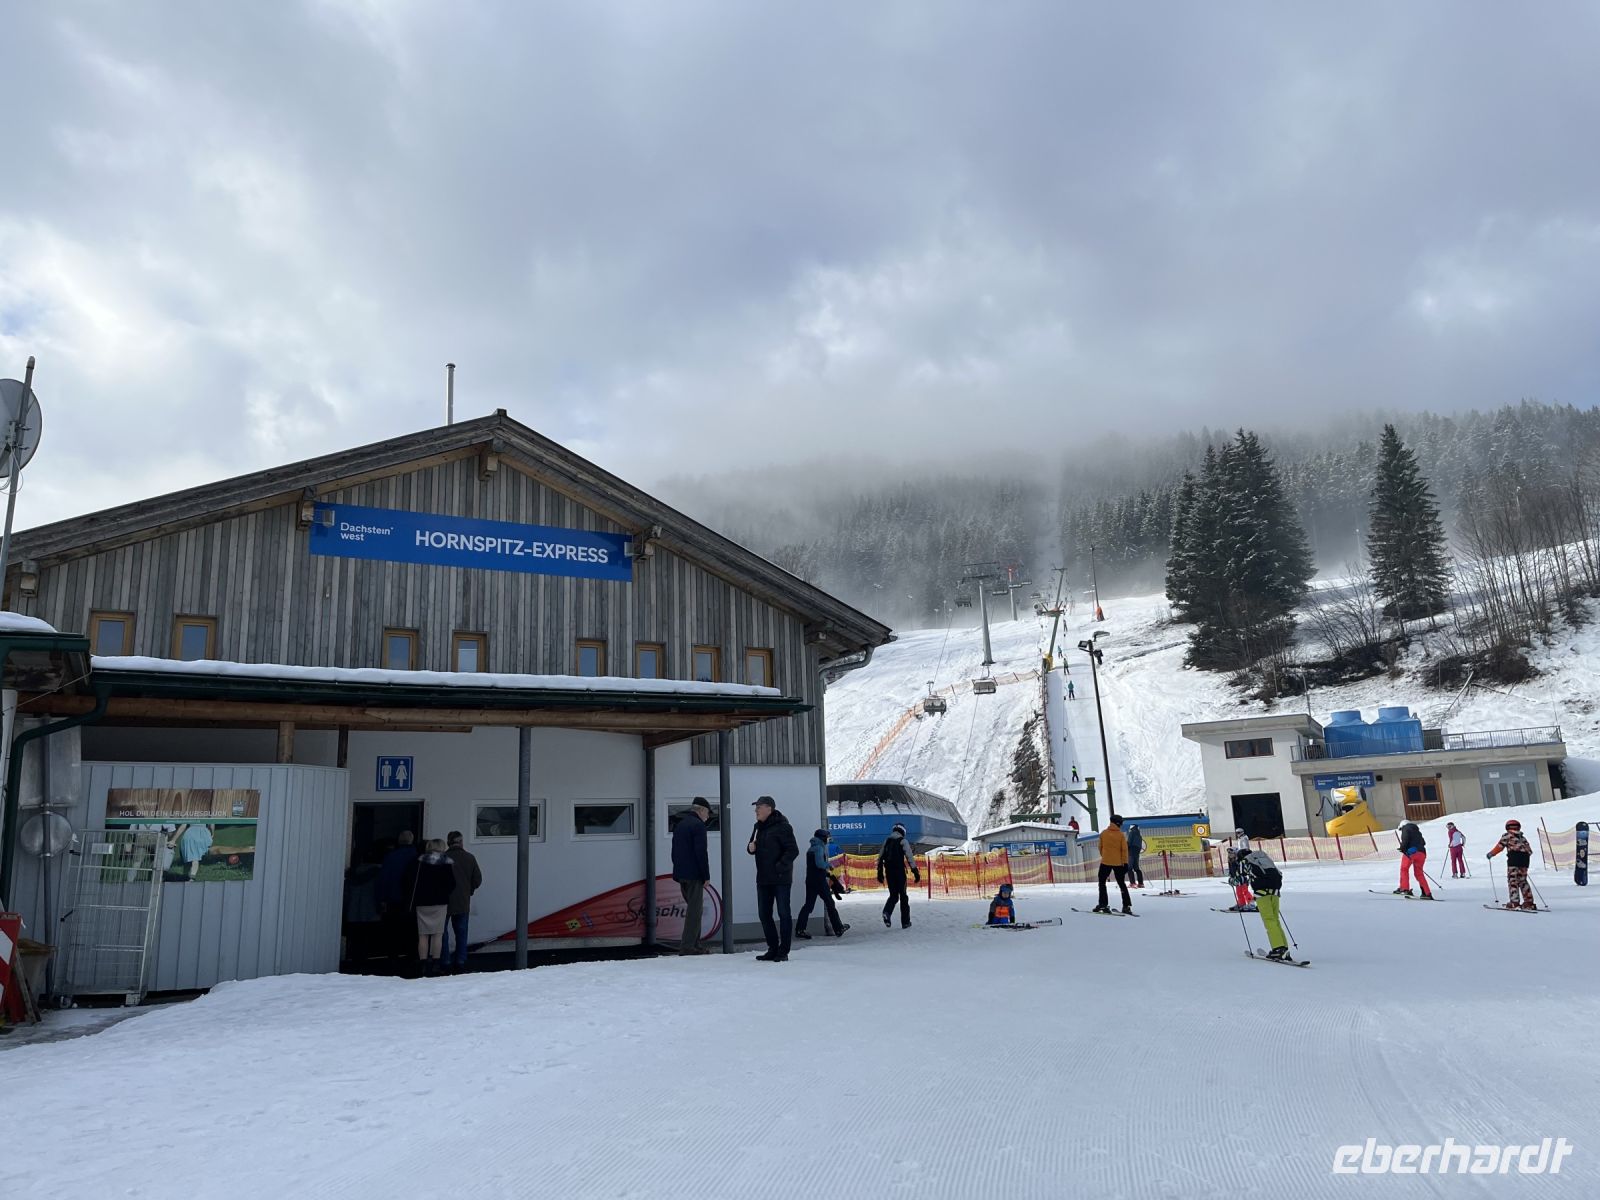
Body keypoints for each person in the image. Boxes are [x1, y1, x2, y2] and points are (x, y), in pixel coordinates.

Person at [747, 796, 799, 962]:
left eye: (759, 807)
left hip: (780, 879)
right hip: (763, 879)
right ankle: (772, 948)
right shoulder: (758, 827)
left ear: (769, 808)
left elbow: (792, 850)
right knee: (764, 914)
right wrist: (750, 848)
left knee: (783, 913)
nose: (756, 811)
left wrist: (779, 867)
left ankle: (783, 951)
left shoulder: (783, 827)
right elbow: (753, 846)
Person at [404, 838, 457, 977]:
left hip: (421, 902)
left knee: (423, 935)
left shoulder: (419, 862)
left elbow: (408, 880)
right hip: (440, 902)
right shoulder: (445, 862)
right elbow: (452, 884)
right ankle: (434, 964)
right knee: (437, 934)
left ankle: (422, 964)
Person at [1237, 845, 1294, 960]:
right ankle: (1284, 948)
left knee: (1268, 920)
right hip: (1275, 892)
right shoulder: (1263, 859)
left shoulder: (1245, 861)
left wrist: (1232, 880)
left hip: (1262, 894)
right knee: (1275, 920)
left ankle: (1278, 948)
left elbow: (1241, 879)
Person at [672, 797, 714, 953]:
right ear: (701, 810)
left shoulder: (681, 825)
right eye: (707, 813)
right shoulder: (698, 826)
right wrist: (706, 876)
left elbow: (674, 851)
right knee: (695, 912)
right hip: (694, 875)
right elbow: (701, 853)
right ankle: (688, 946)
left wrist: (677, 871)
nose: (708, 816)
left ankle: (695, 944)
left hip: (681, 874)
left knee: (694, 909)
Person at [795, 828, 849, 940]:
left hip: (811, 880)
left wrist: (828, 875)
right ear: (822, 838)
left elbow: (813, 867)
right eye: (826, 837)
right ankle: (838, 928)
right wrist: (828, 865)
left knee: (808, 906)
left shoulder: (811, 848)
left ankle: (800, 929)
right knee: (830, 903)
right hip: (819, 881)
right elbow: (819, 864)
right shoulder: (819, 848)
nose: (827, 840)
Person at [442, 831, 482, 974]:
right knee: (461, 932)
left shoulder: (442, 858)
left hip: (443, 902)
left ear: (448, 842)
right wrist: (469, 890)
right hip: (463, 901)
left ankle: (445, 961)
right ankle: (460, 961)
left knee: (442, 933)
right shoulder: (470, 858)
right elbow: (478, 879)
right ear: (461, 842)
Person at [377, 831, 419, 965]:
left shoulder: (390, 857)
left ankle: (392, 958)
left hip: (393, 899)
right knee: (412, 931)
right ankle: (412, 958)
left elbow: (383, 879)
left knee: (392, 931)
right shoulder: (416, 856)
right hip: (412, 900)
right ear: (412, 841)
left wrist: (381, 899)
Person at [877, 822, 922, 928]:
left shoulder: (887, 841)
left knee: (893, 895)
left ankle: (887, 912)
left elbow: (880, 856)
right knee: (903, 896)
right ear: (903, 831)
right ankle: (905, 922)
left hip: (889, 872)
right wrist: (915, 872)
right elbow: (909, 856)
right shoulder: (903, 841)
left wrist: (879, 872)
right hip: (899, 872)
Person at [1486, 818, 1536, 910]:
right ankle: (1529, 903)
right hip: (1525, 860)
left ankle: (1514, 902)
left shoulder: (1507, 836)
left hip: (1514, 860)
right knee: (1523, 880)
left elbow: (1500, 846)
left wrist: (1491, 854)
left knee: (1513, 880)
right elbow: (1529, 850)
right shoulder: (1522, 837)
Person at [1094, 814, 1133, 914]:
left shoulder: (1103, 833)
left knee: (1102, 883)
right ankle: (1126, 906)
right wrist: (1125, 862)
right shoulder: (1120, 835)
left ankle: (1103, 904)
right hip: (1119, 863)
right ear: (1118, 823)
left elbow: (1100, 847)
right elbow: (1124, 850)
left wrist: (1105, 856)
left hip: (1105, 862)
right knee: (1121, 884)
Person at [1394, 820, 1435, 898]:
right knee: (1419, 874)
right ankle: (1426, 893)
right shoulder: (1417, 831)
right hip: (1422, 853)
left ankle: (1404, 889)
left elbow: (1405, 839)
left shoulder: (1406, 828)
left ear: (1402, 826)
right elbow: (1423, 842)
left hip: (1410, 852)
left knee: (1404, 869)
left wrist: (1402, 848)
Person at [1226, 829, 1256, 912]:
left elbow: (1242, 869)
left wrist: (1243, 855)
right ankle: (1241, 903)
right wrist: (1231, 876)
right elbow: (1231, 870)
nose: (1230, 855)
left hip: (1242, 878)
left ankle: (1251, 903)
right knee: (1238, 892)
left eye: (1231, 853)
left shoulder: (1238, 861)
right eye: (1229, 854)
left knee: (1244, 891)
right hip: (1236, 879)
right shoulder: (1230, 861)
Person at [1126, 822, 1145, 889]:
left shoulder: (1132, 833)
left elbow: (1129, 842)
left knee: (1129, 868)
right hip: (1137, 853)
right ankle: (1141, 883)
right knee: (1137, 868)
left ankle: (1132, 883)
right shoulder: (1139, 835)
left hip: (1131, 852)